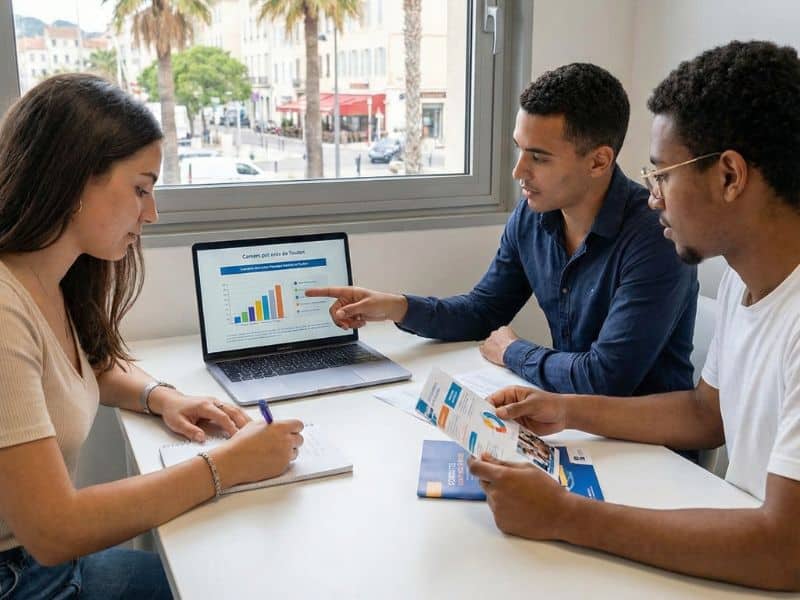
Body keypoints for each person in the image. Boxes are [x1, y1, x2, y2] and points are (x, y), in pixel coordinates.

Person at [468, 40, 800, 591]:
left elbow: (785, 549)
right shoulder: (748, 276)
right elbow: (704, 414)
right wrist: (566, 409)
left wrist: (564, 515)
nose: (652, 197)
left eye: (664, 174)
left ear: (730, 177)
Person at [0, 74, 304, 599]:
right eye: (140, 188)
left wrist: (161, 396)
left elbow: (78, 364)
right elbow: (54, 531)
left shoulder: (47, 277)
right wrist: (230, 465)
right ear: (73, 179)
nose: (152, 213)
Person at [307, 63, 698, 397]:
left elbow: (606, 378)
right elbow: (483, 311)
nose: (518, 172)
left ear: (598, 162)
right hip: (576, 421)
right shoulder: (533, 216)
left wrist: (513, 351)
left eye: (539, 157)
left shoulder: (657, 236)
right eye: (519, 149)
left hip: (651, 449)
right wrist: (396, 306)